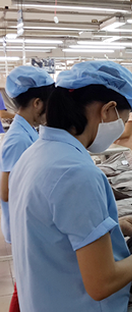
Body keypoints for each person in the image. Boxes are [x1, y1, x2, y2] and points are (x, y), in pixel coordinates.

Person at [9, 61, 132, 312]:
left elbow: (51, 231)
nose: (120, 129)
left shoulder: (34, 155)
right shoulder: (75, 173)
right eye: (123, 119)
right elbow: (101, 284)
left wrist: (109, 228)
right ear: (108, 110)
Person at [1, 66, 54, 312]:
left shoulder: (26, 132)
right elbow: (6, 190)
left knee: (26, 285)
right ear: (36, 103)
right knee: (25, 286)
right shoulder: (18, 139)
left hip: (26, 222)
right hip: (23, 224)